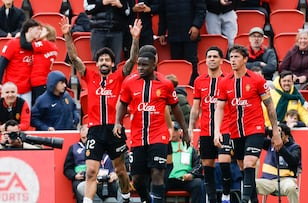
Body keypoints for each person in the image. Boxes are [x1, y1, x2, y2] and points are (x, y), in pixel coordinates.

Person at [60, 15, 142, 203]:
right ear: (96, 64)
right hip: (95, 130)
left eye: (107, 60)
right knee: (90, 171)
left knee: (121, 171)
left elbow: (132, 60)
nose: (103, 62)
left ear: (112, 64)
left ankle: (126, 197)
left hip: (115, 129)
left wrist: (135, 39)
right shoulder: (90, 77)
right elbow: (74, 58)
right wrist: (67, 36)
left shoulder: (119, 77)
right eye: (100, 60)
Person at [113, 50, 190, 203]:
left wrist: (185, 131)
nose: (140, 68)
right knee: (137, 179)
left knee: (157, 173)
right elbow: (122, 103)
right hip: (138, 136)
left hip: (158, 135)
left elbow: (176, 108)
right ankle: (146, 199)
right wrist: (117, 122)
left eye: (144, 65)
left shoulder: (166, 84)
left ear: (154, 65)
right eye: (139, 65)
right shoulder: (129, 82)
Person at [214, 45, 283, 203]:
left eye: (236, 57)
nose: (232, 60)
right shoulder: (224, 82)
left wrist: (275, 132)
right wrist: (217, 131)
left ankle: (244, 200)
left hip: (255, 128)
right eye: (231, 57)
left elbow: (270, 107)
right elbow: (220, 108)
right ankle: (253, 200)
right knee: (243, 167)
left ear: (245, 60)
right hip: (235, 130)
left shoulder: (257, 80)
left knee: (249, 162)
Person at [188, 46, 233, 203]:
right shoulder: (199, 81)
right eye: (209, 57)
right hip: (206, 130)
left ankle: (226, 194)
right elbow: (195, 108)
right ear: (205, 61)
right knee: (207, 166)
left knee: (225, 161)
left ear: (221, 60)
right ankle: (211, 198)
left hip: (226, 128)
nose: (212, 59)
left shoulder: (228, 80)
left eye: (215, 56)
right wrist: (190, 128)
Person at [158, 0, 206, 86]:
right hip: (173, 34)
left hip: (190, 33)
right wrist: (161, 32)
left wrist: (196, 26)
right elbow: (163, 13)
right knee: (176, 62)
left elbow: (201, 9)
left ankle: (193, 86)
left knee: (191, 61)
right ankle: (177, 87)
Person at [0, 18, 42, 106]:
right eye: (37, 29)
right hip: (11, 90)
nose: (40, 32)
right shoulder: (13, 44)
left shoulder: (36, 46)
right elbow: (2, 63)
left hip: (27, 90)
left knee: (25, 116)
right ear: (30, 30)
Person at [256, 123, 301, 203]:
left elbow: (293, 161)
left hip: (286, 180)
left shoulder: (295, 147)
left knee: (292, 188)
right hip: (267, 181)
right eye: (273, 135)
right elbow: (258, 138)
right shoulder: (270, 144)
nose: (275, 138)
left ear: (287, 136)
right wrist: (269, 129)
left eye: (279, 135)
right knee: (249, 185)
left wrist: (281, 148)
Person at [166, 121, 204, 203]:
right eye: (170, 129)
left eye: (175, 130)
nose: (172, 132)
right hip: (167, 179)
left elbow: (198, 165)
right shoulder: (164, 147)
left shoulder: (189, 148)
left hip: (184, 180)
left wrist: (191, 174)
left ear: (180, 132)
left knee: (198, 184)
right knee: (157, 185)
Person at [84, 0, 131, 65]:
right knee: (97, 60)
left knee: (115, 61)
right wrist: (103, 3)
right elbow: (87, 9)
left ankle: (114, 75)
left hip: (117, 31)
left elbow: (128, 12)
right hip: (98, 30)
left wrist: (120, 6)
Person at [29, 24, 58, 106]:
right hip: (42, 81)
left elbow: (27, 45)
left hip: (40, 82)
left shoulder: (45, 44)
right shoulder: (52, 46)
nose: (39, 32)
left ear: (47, 32)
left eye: (41, 30)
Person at [63, 124, 89, 203]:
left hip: (95, 178)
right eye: (83, 138)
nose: (85, 140)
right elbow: (67, 168)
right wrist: (75, 176)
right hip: (79, 179)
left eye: (87, 137)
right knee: (78, 187)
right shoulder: (74, 148)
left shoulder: (98, 147)